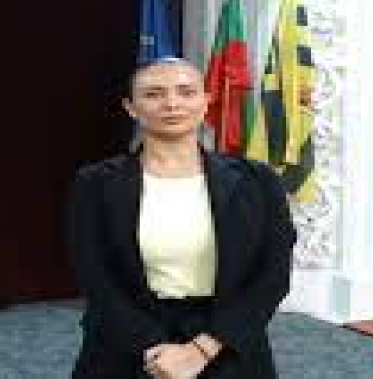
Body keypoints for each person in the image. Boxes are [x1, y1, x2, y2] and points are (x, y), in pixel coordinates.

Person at [67, 57, 296, 378]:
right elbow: (94, 274)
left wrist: (202, 348)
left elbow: (273, 274)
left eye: (186, 92)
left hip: (228, 340)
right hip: (126, 342)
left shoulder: (258, 181)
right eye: (153, 94)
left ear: (206, 101)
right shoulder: (95, 183)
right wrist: (153, 347)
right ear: (130, 108)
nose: (172, 104)